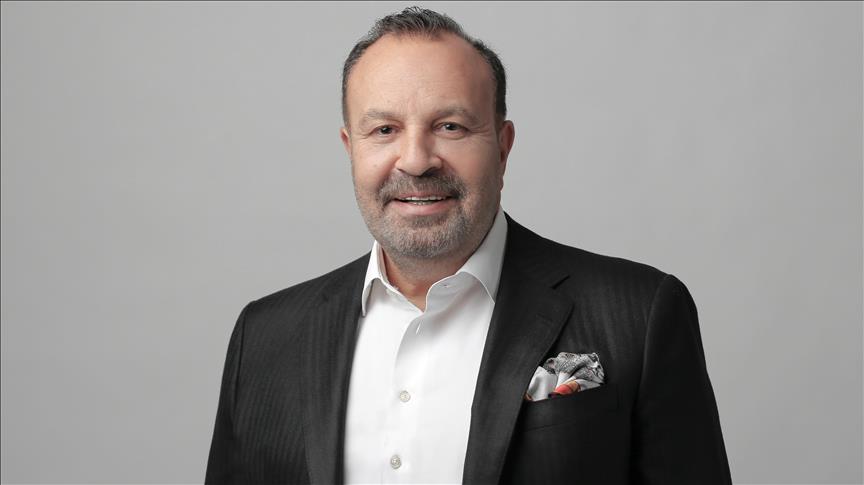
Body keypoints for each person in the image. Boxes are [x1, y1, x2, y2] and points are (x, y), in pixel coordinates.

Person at [205, 7, 732, 484]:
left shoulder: (639, 315)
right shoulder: (264, 338)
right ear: (350, 148)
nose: (416, 160)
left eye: (450, 126)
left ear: (502, 148)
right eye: (384, 130)